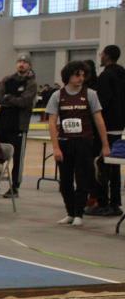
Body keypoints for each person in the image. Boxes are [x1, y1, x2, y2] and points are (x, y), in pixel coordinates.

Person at [46, 61, 111, 226]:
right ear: (68, 76)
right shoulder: (57, 96)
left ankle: (79, 213)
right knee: (65, 182)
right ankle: (70, 212)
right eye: (77, 75)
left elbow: (99, 120)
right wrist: (55, 147)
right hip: (65, 143)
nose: (81, 78)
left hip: (84, 142)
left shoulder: (91, 94)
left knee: (82, 179)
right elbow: (52, 123)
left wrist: (105, 145)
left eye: (83, 75)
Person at [0, 53, 37, 198]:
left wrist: (8, 98)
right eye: (19, 61)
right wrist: (13, 100)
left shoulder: (31, 83)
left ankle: (15, 187)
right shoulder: (7, 80)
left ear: (29, 65)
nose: (21, 64)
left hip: (18, 126)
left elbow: (25, 102)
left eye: (25, 62)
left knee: (18, 158)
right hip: (1, 123)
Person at [91, 45, 125, 216]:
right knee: (115, 165)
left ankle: (102, 203)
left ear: (107, 56)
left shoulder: (105, 76)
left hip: (106, 126)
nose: (100, 56)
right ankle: (115, 203)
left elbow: (101, 103)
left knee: (101, 164)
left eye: (102, 54)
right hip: (119, 127)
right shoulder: (122, 74)